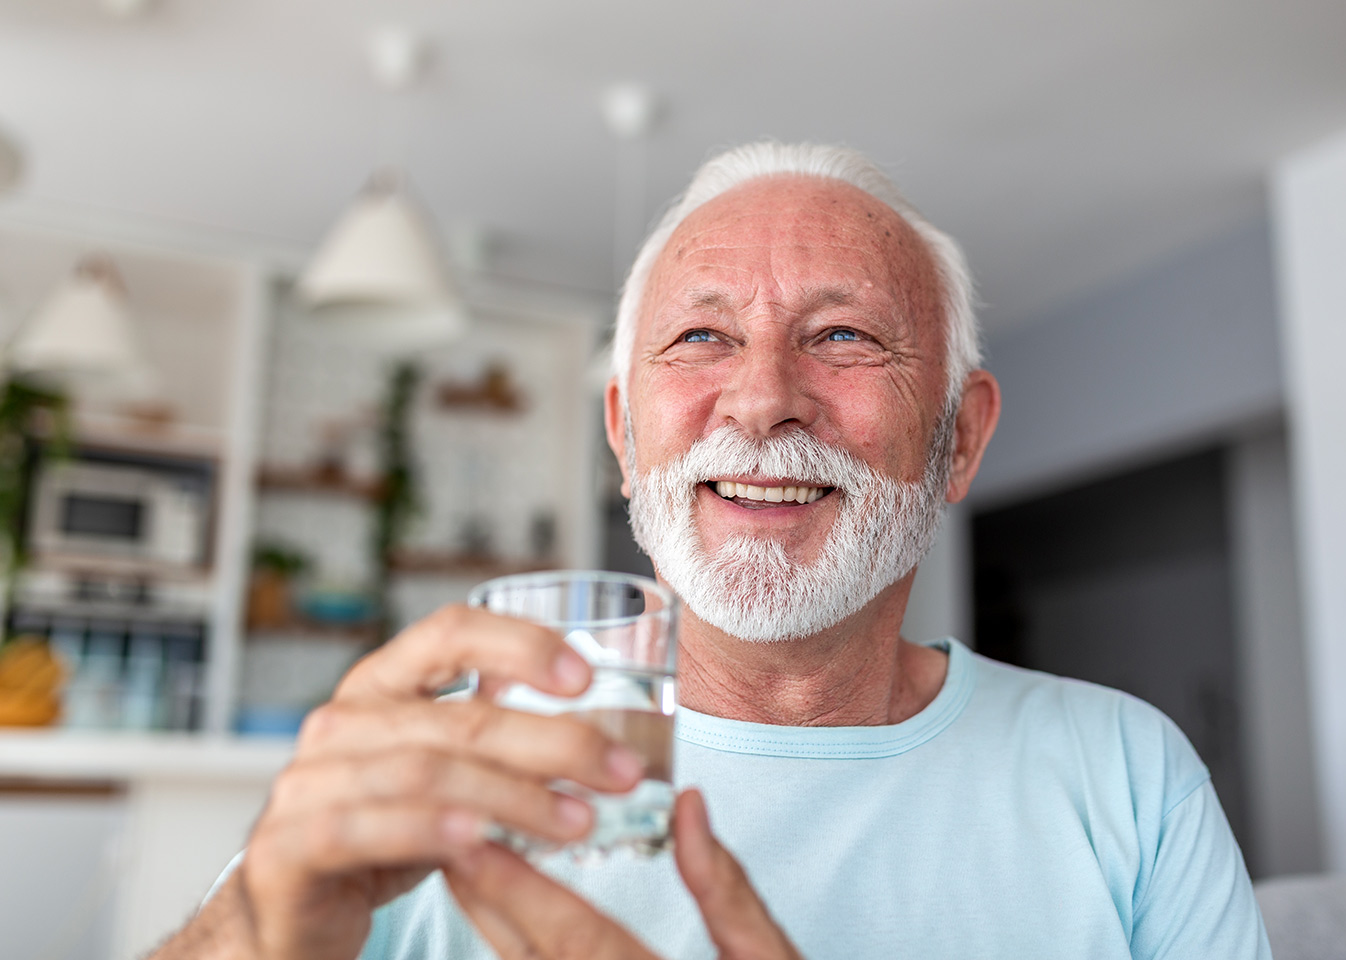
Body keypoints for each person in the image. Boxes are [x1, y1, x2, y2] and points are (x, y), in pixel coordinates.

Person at [154, 143, 1272, 960]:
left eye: (842, 336)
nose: (763, 401)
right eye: (701, 337)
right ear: (624, 434)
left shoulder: (1127, 772)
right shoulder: (447, 779)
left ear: (960, 436)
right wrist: (246, 935)